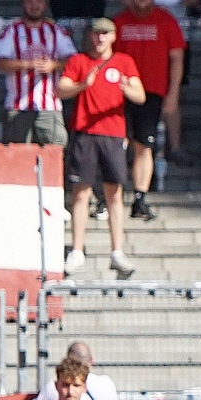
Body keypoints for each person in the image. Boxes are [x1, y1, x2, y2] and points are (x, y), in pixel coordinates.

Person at [56, 17, 144, 278]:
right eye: (96, 33)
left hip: (113, 134)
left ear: (114, 36)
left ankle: (117, 251)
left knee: (114, 193)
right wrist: (84, 85)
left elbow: (140, 96)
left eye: (105, 33)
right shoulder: (79, 61)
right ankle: (77, 249)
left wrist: (127, 89)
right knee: (80, 192)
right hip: (84, 132)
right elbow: (61, 89)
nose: (100, 38)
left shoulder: (124, 61)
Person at [112, 0, 186, 219]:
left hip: (152, 92)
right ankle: (111, 195)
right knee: (118, 144)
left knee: (144, 146)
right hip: (121, 93)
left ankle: (139, 198)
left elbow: (177, 58)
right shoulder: (119, 22)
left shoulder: (166, 21)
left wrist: (173, 94)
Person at [0, 0, 72, 147]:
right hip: (17, 106)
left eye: (39, 1)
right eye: (29, 1)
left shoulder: (56, 30)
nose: (34, 5)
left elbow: (73, 61)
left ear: (45, 4)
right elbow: (0, 62)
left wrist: (54, 65)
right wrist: (27, 64)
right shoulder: (11, 31)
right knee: (16, 156)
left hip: (50, 106)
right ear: (22, 3)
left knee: (54, 153)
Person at [25, 339, 120, 400]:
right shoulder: (106, 383)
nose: (70, 391)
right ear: (91, 361)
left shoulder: (56, 386)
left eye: (77, 386)